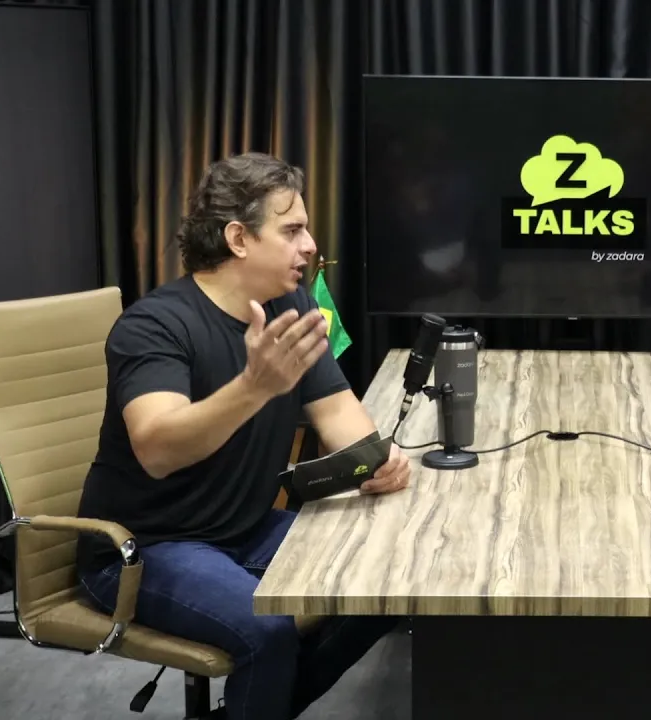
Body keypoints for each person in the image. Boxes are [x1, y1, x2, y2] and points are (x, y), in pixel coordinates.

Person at [75, 153, 410, 720]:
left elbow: (336, 410)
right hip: (145, 549)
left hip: (246, 527)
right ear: (238, 239)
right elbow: (157, 449)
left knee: (389, 579)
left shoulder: (292, 305)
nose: (310, 245)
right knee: (268, 631)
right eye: (292, 230)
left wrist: (376, 458)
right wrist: (254, 387)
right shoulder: (155, 325)